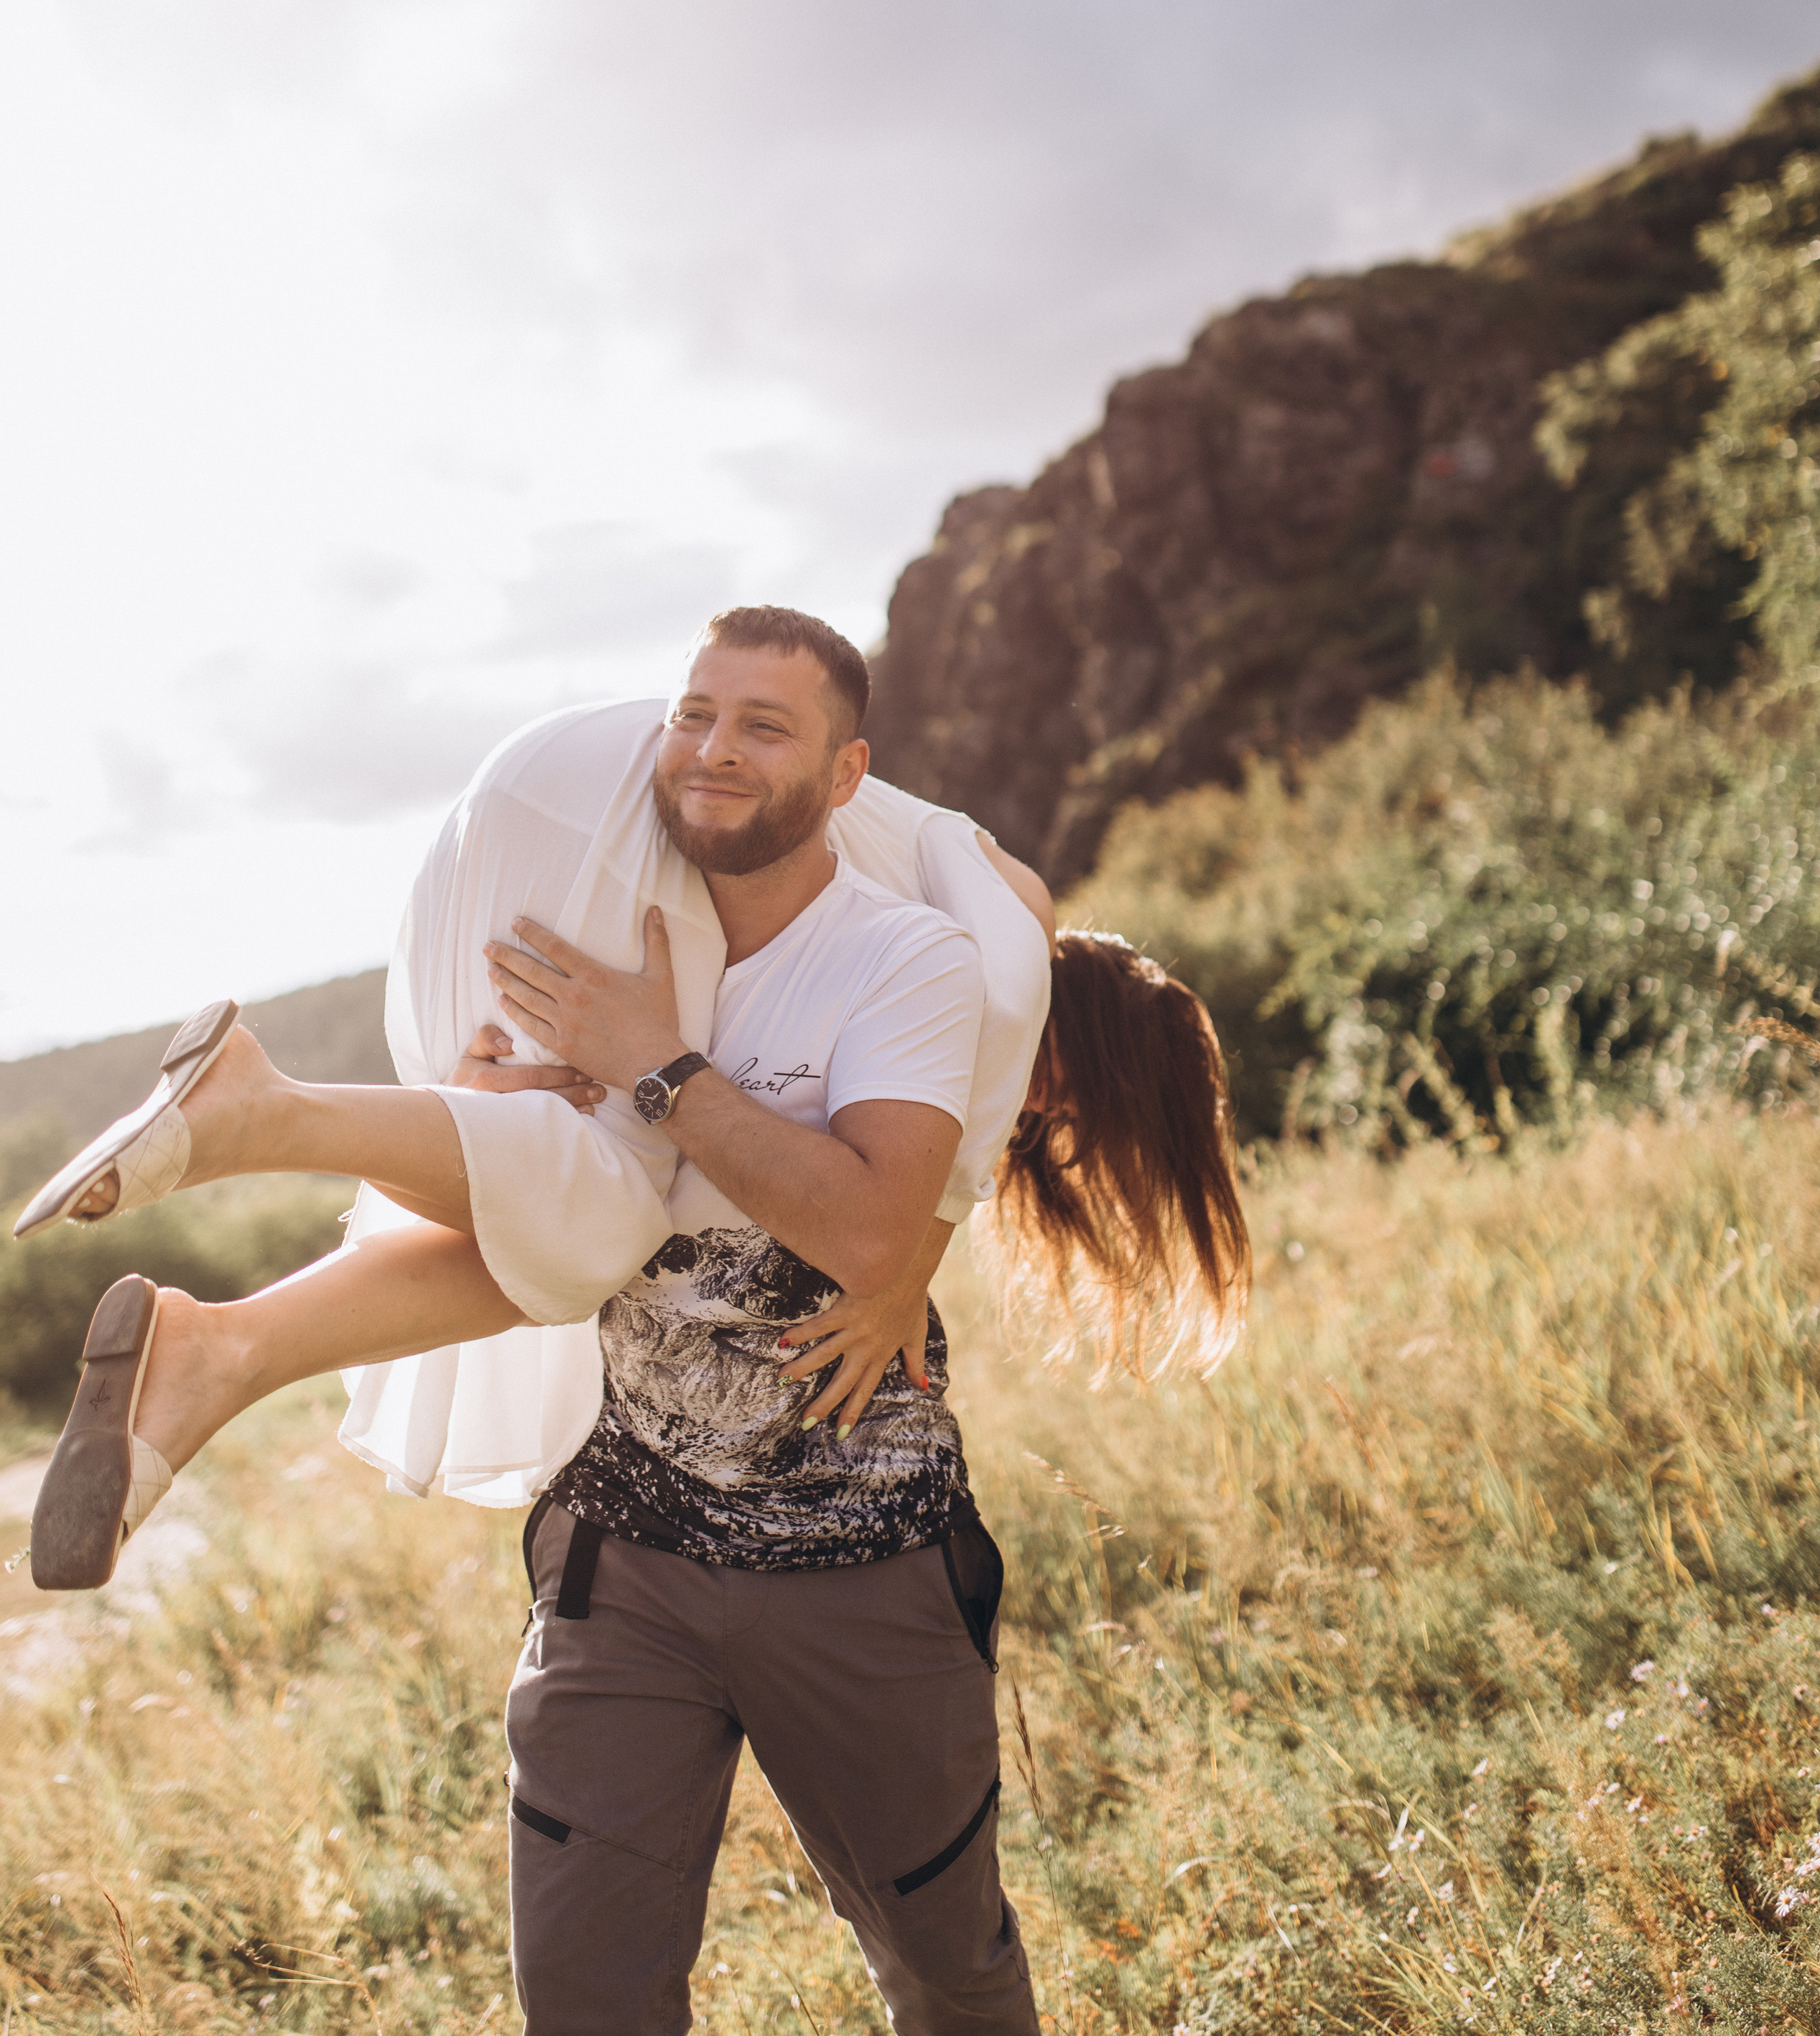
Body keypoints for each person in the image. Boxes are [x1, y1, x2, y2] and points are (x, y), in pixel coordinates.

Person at [21, 605, 1250, 2036]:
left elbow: (768, 1201)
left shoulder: (830, 961)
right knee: (605, 1994)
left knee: (945, 1969)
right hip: (634, 1552)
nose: (1055, 1136)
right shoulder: (980, 943)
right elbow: (913, 1163)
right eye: (1072, 1111)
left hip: (850, 1559)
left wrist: (508, 1115)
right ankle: (262, 1141)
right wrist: (862, 1220)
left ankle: (229, 1336)